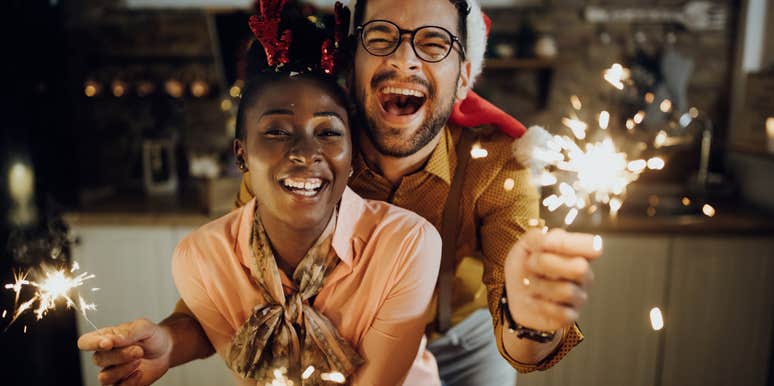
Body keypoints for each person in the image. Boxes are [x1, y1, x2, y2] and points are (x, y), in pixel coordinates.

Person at [78, 0, 604, 385]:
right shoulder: (302, 159)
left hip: (465, 343)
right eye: (381, 37)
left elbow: (521, 327)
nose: (405, 61)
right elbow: (234, 291)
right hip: (345, 351)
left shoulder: (498, 166)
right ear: (352, 65)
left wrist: (530, 320)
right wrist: (168, 344)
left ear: (464, 76)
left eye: (434, 43)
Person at [79, 3, 443, 385]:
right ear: (242, 154)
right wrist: (168, 344)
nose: (305, 152)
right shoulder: (203, 258)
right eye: (277, 132)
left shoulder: (406, 244)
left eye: (329, 132)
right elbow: (206, 325)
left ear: (351, 154)